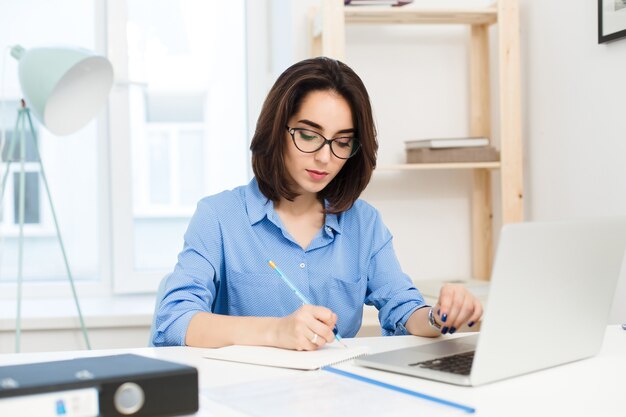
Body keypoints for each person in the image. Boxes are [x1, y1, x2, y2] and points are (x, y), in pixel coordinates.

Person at [152, 57, 482, 350]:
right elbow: (175, 322)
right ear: (276, 131)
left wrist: (440, 317)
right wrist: (276, 331)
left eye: (342, 142)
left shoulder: (363, 224)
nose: (324, 157)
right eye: (309, 135)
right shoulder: (219, 217)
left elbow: (405, 309)